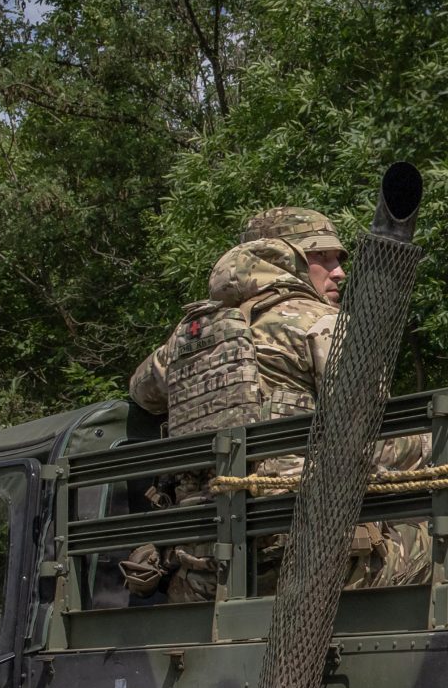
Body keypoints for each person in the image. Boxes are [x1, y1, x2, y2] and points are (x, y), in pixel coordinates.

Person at [124, 209, 429, 600]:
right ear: (282, 258)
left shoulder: (193, 338)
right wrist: (431, 443)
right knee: (447, 532)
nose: (338, 272)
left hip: (205, 572)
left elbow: (141, 391)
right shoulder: (325, 324)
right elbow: (376, 445)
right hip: (308, 562)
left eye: (339, 260)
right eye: (321, 258)